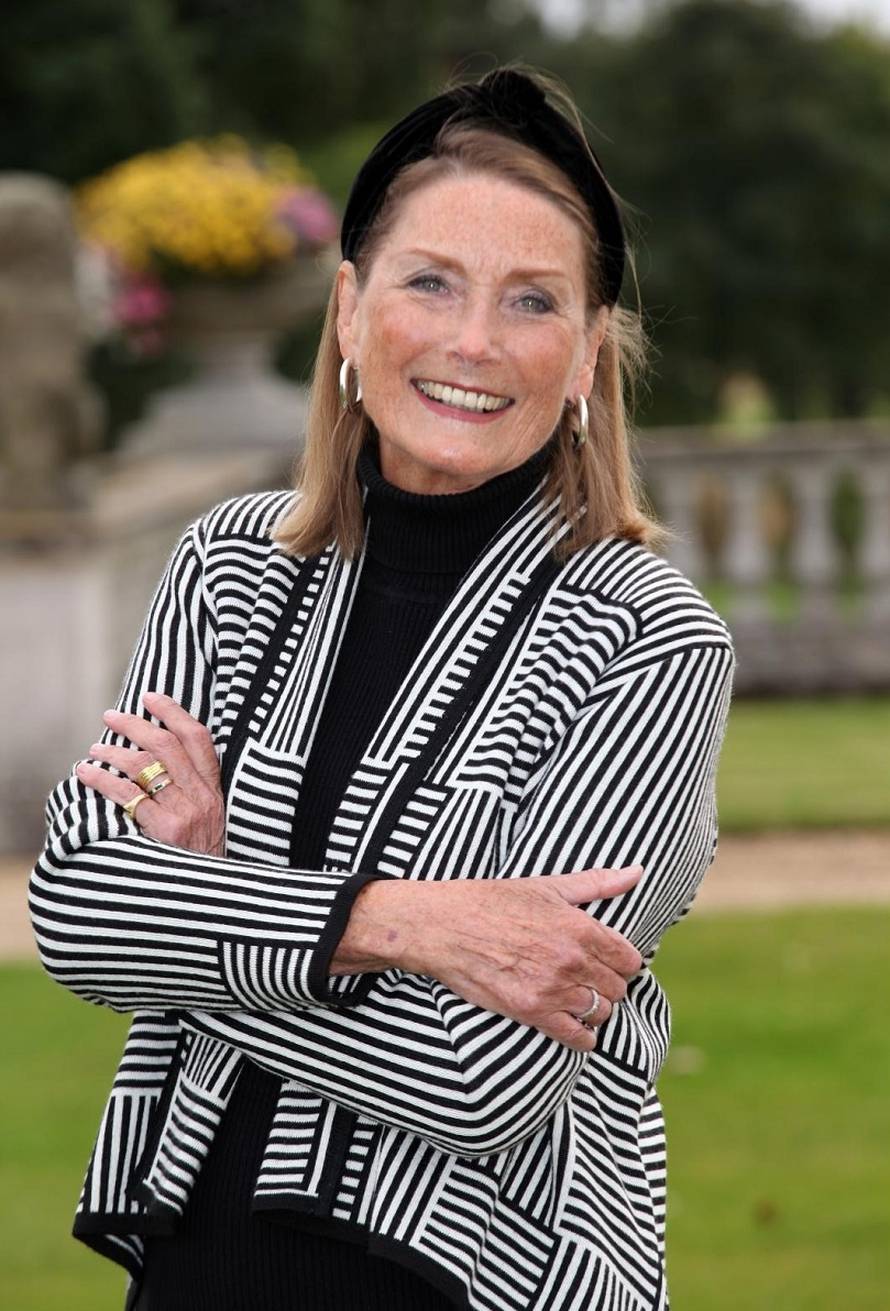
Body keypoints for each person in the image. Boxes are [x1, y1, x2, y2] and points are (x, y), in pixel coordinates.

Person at [29, 67, 734, 1311]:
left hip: (465, 1281)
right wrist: (404, 925)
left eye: (530, 301)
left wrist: (204, 903)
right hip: (198, 1256)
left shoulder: (650, 640)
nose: (471, 343)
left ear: (582, 357)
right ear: (349, 311)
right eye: (428, 283)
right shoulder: (231, 567)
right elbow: (81, 914)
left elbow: (481, 1076)